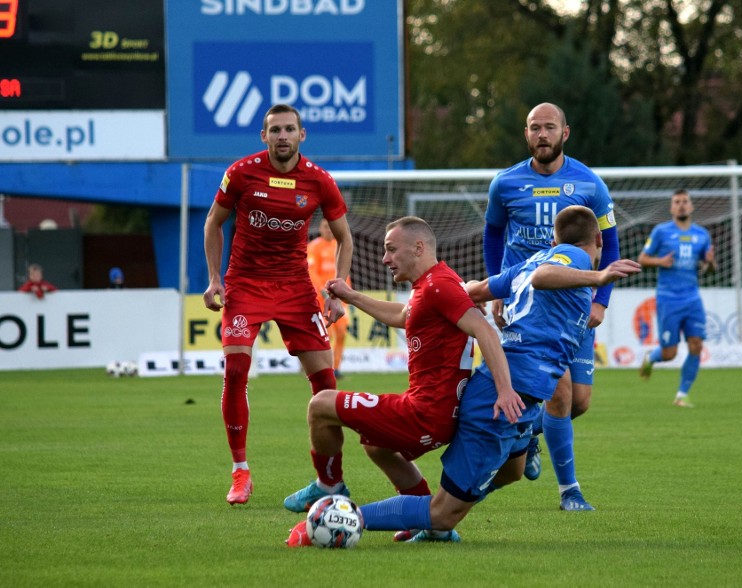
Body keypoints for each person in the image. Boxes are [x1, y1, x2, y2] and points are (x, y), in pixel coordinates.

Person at [347, 206, 641, 543]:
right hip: (504, 394)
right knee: (443, 514)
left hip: (520, 391)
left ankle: (516, 448)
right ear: (598, 239)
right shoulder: (572, 256)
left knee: (513, 471)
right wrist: (599, 277)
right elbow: (543, 277)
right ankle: (343, 517)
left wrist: (468, 291)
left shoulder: (530, 261)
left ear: (552, 237)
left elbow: (478, 289)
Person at [283, 216, 518, 532]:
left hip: (424, 413)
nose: (385, 259)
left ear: (418, 247)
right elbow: (403, 316)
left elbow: (484, 332)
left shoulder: (439, 287)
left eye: (391, 250)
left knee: (321, 406)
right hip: (436, 413)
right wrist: (350, 296)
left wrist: (505, 390)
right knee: (377, 445)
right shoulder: (433, 283)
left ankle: (329, 486)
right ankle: (430, 526)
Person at [203, 103, 353, 506]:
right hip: (245, 285)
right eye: (275, 130)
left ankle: (330, 480)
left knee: (326, 383)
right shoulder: (241, 173)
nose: (282, 136)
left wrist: (335, 290)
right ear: (264, 136)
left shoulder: (320, 181)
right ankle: (240, 472)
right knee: (236, 369)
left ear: (302, 135)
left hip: (295, 288)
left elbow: (345, 237)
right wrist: (215, 279)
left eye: (289, 129)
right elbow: (213, 222)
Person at [482, 102, 620, 511]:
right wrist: (498, 294)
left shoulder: (590, 183)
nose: (542, 134)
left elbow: (608, 241)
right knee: (559, 394)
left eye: (549, 127)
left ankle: (529, 435)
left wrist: (602, 300)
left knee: (579, 402)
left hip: (576, 300)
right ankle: (570, 492)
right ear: (526, 135)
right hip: (527, 303)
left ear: (566, 132)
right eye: (534, 128)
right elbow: (492, 238)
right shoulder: (505, 184)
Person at [638, 189, 716, 408]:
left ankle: (682, 394)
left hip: (692, 298)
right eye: (677, 202)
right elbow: (642, 258)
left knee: (696, 344)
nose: (681, 205)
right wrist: (660, 262)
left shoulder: (702, 235)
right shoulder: (661, 232)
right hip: (668, 299)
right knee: (669, 353)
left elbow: (710, 269)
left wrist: (710, 262)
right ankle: (651, 357)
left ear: (691, 207)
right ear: (672, 208)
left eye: (685, 201)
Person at [307, 218, 349, 379]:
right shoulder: (313, 247)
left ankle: (336, 368)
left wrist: (347, 293)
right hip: (321, 299)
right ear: (320, 228)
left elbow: (345, 273)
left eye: (331, 227)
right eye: (325, 227)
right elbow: (312, 273)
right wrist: (324, 292)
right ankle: (321, 369)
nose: (329, 230)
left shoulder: (339, 246)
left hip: (338, 298)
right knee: (327, 335)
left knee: (342, 333)